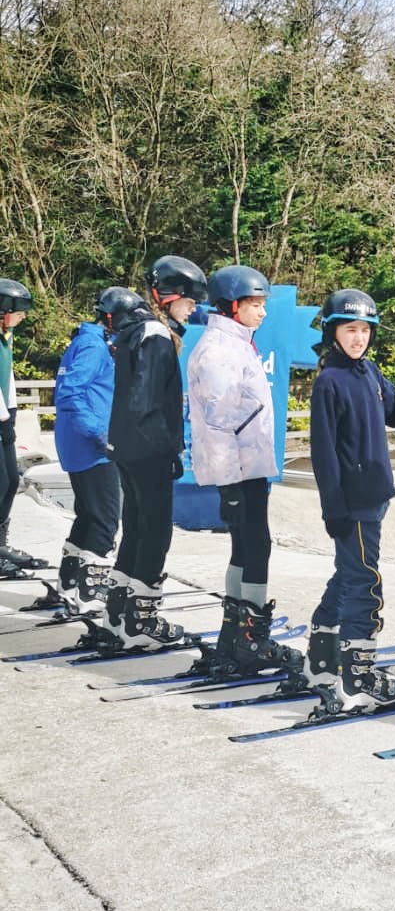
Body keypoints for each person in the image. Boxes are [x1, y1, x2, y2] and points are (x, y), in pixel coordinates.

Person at [308, 288, 395, 708]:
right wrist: (332, 507)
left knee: (349, 574)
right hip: (351, 503)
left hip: (374, 496)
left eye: (366, 330)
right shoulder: (329, 382)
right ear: (333, 332)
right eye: (350, 329)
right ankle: (358, 676)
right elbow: (323, 454)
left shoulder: (368, 372)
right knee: (364, 583)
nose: (359, 338)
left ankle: (320, 658)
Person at [186, 263, 301, 677]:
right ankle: (251, 642)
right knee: (256, 548)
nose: (262, 312)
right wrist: (230, 486)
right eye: (255, 304)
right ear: (232, 305)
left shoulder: (235, 342)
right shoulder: (219, 350)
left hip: (247, 466)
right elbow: (218, 424)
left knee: (247, 547)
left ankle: (234, 635)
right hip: (239, 470)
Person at [99, 254, 208, 649]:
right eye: (190, 303)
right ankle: (140, 620)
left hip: (126, 446)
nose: (192, 311)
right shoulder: (157, 336)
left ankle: (118, 611)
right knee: (156, 531)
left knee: (136, 526)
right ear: (170, 297)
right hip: (148, 448)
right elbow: (147, 399)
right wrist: (168, 448)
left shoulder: (134, 330)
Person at [50, 287, 140, 609]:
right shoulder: (93, 346)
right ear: (115, 318)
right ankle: (91, 596)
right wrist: (100, 434)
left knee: (88, 516)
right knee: (105, 521)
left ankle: (68, 587)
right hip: (92, 447)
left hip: (80, 443)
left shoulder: (92, 341)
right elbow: (69, 393)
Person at [0, 277, 36, 576]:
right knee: (1, 483)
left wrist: (11, 413)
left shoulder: (6, 336)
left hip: (5, 416)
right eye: (19, 311)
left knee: (12, 481)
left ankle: (1, 543)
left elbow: (6, 379)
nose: (23, 316)